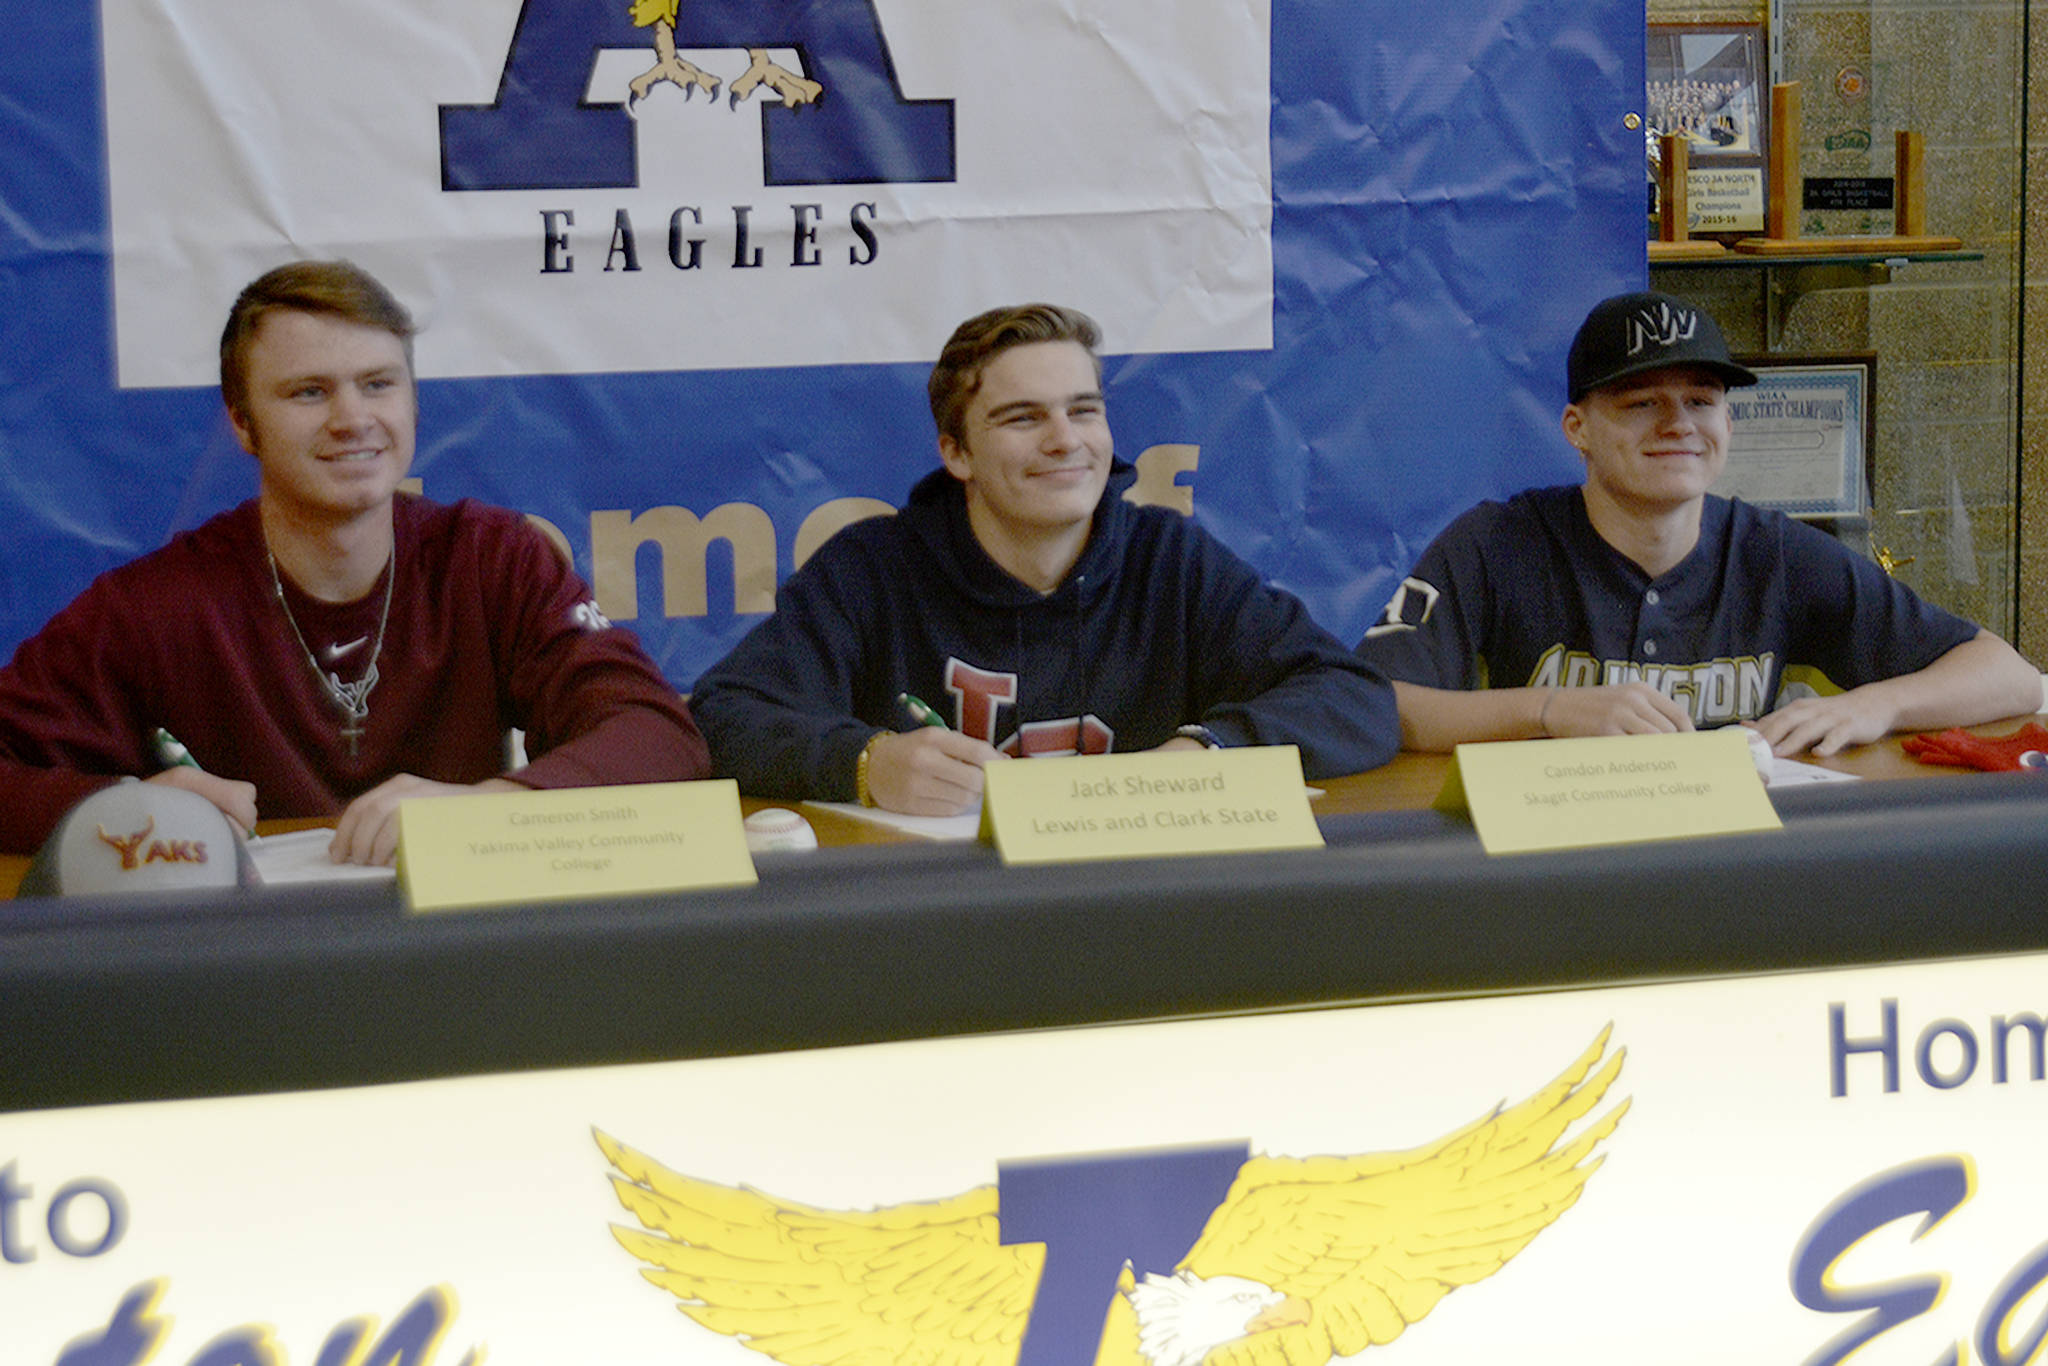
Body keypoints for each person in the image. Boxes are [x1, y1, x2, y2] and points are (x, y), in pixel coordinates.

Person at [0, 260, 710, 863]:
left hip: (466, 955)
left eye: (378, 384)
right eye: (309, 392)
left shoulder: (495, 559)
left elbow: (657, 734)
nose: (353, 418)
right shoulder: (156, 605)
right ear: (242, 422)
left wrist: (493, 811)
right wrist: (121, 806)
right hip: (249, 981)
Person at [689, 303, 1399, 814]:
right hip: (936, 925)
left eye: (1084, 410)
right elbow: (722, 717)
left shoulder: (1168, 558)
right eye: (1023, 418)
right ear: (956, 453)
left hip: (1136, 909)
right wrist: (866, 762)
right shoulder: (872, 568)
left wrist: (1200, 755)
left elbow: (1354, 697)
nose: (1066, 440)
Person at [1357, 289, 2040, 756]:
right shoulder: (1498, 543)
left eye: (1700, 401)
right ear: (1578, 429)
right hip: (1555, 855)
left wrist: (1876, 705)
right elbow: (1379, 703)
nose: (1678, 425)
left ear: (1727, 424)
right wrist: (1548, 712)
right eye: (1641, 403)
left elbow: (2013, 677)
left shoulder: (1779, 553)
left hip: (1731, 865)